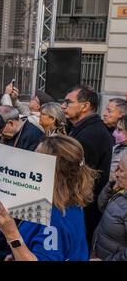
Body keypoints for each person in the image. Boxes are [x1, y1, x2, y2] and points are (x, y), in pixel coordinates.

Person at [0, 135, 97, 261]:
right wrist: (17, 253)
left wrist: (12, 235)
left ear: (50, 170)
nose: (28, 161)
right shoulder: (63, 200)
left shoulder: (56, 217)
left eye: (35, 157)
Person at [61, 85, 113, 246]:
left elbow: (78, 180)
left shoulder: (90, 135)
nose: (63, 106)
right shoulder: (83, 129)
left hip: (82, 212)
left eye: (68, 102)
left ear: (85, 106)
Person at [92, 151, 127, 261]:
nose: (116, 173)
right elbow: (102, 206)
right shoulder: (121, 189)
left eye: (121, 170)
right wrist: (110, 186)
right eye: (117, 168)